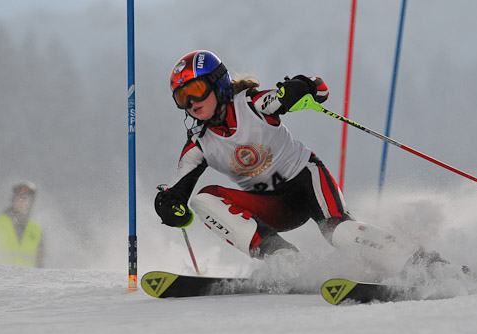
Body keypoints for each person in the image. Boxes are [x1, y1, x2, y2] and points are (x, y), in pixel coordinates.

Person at [154, 50, 427, 267]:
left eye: (196, 90)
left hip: (306, 181)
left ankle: (418, 259)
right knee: (204, 200)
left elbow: (313, 92)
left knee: (339, 232)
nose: (190, 102)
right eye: (182, 97)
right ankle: (285, 261)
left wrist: (302, 87)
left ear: (218, 83)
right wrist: (169, 204)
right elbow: (177, 187)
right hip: (274, 206)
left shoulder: (251, 104)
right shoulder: (200, 142)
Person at [0, 181, 45, 268]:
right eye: (21, 197)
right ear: (14, 199)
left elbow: (39, 264)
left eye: (28, 199)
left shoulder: (37, 231)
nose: (24, 202)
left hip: (27, 280)